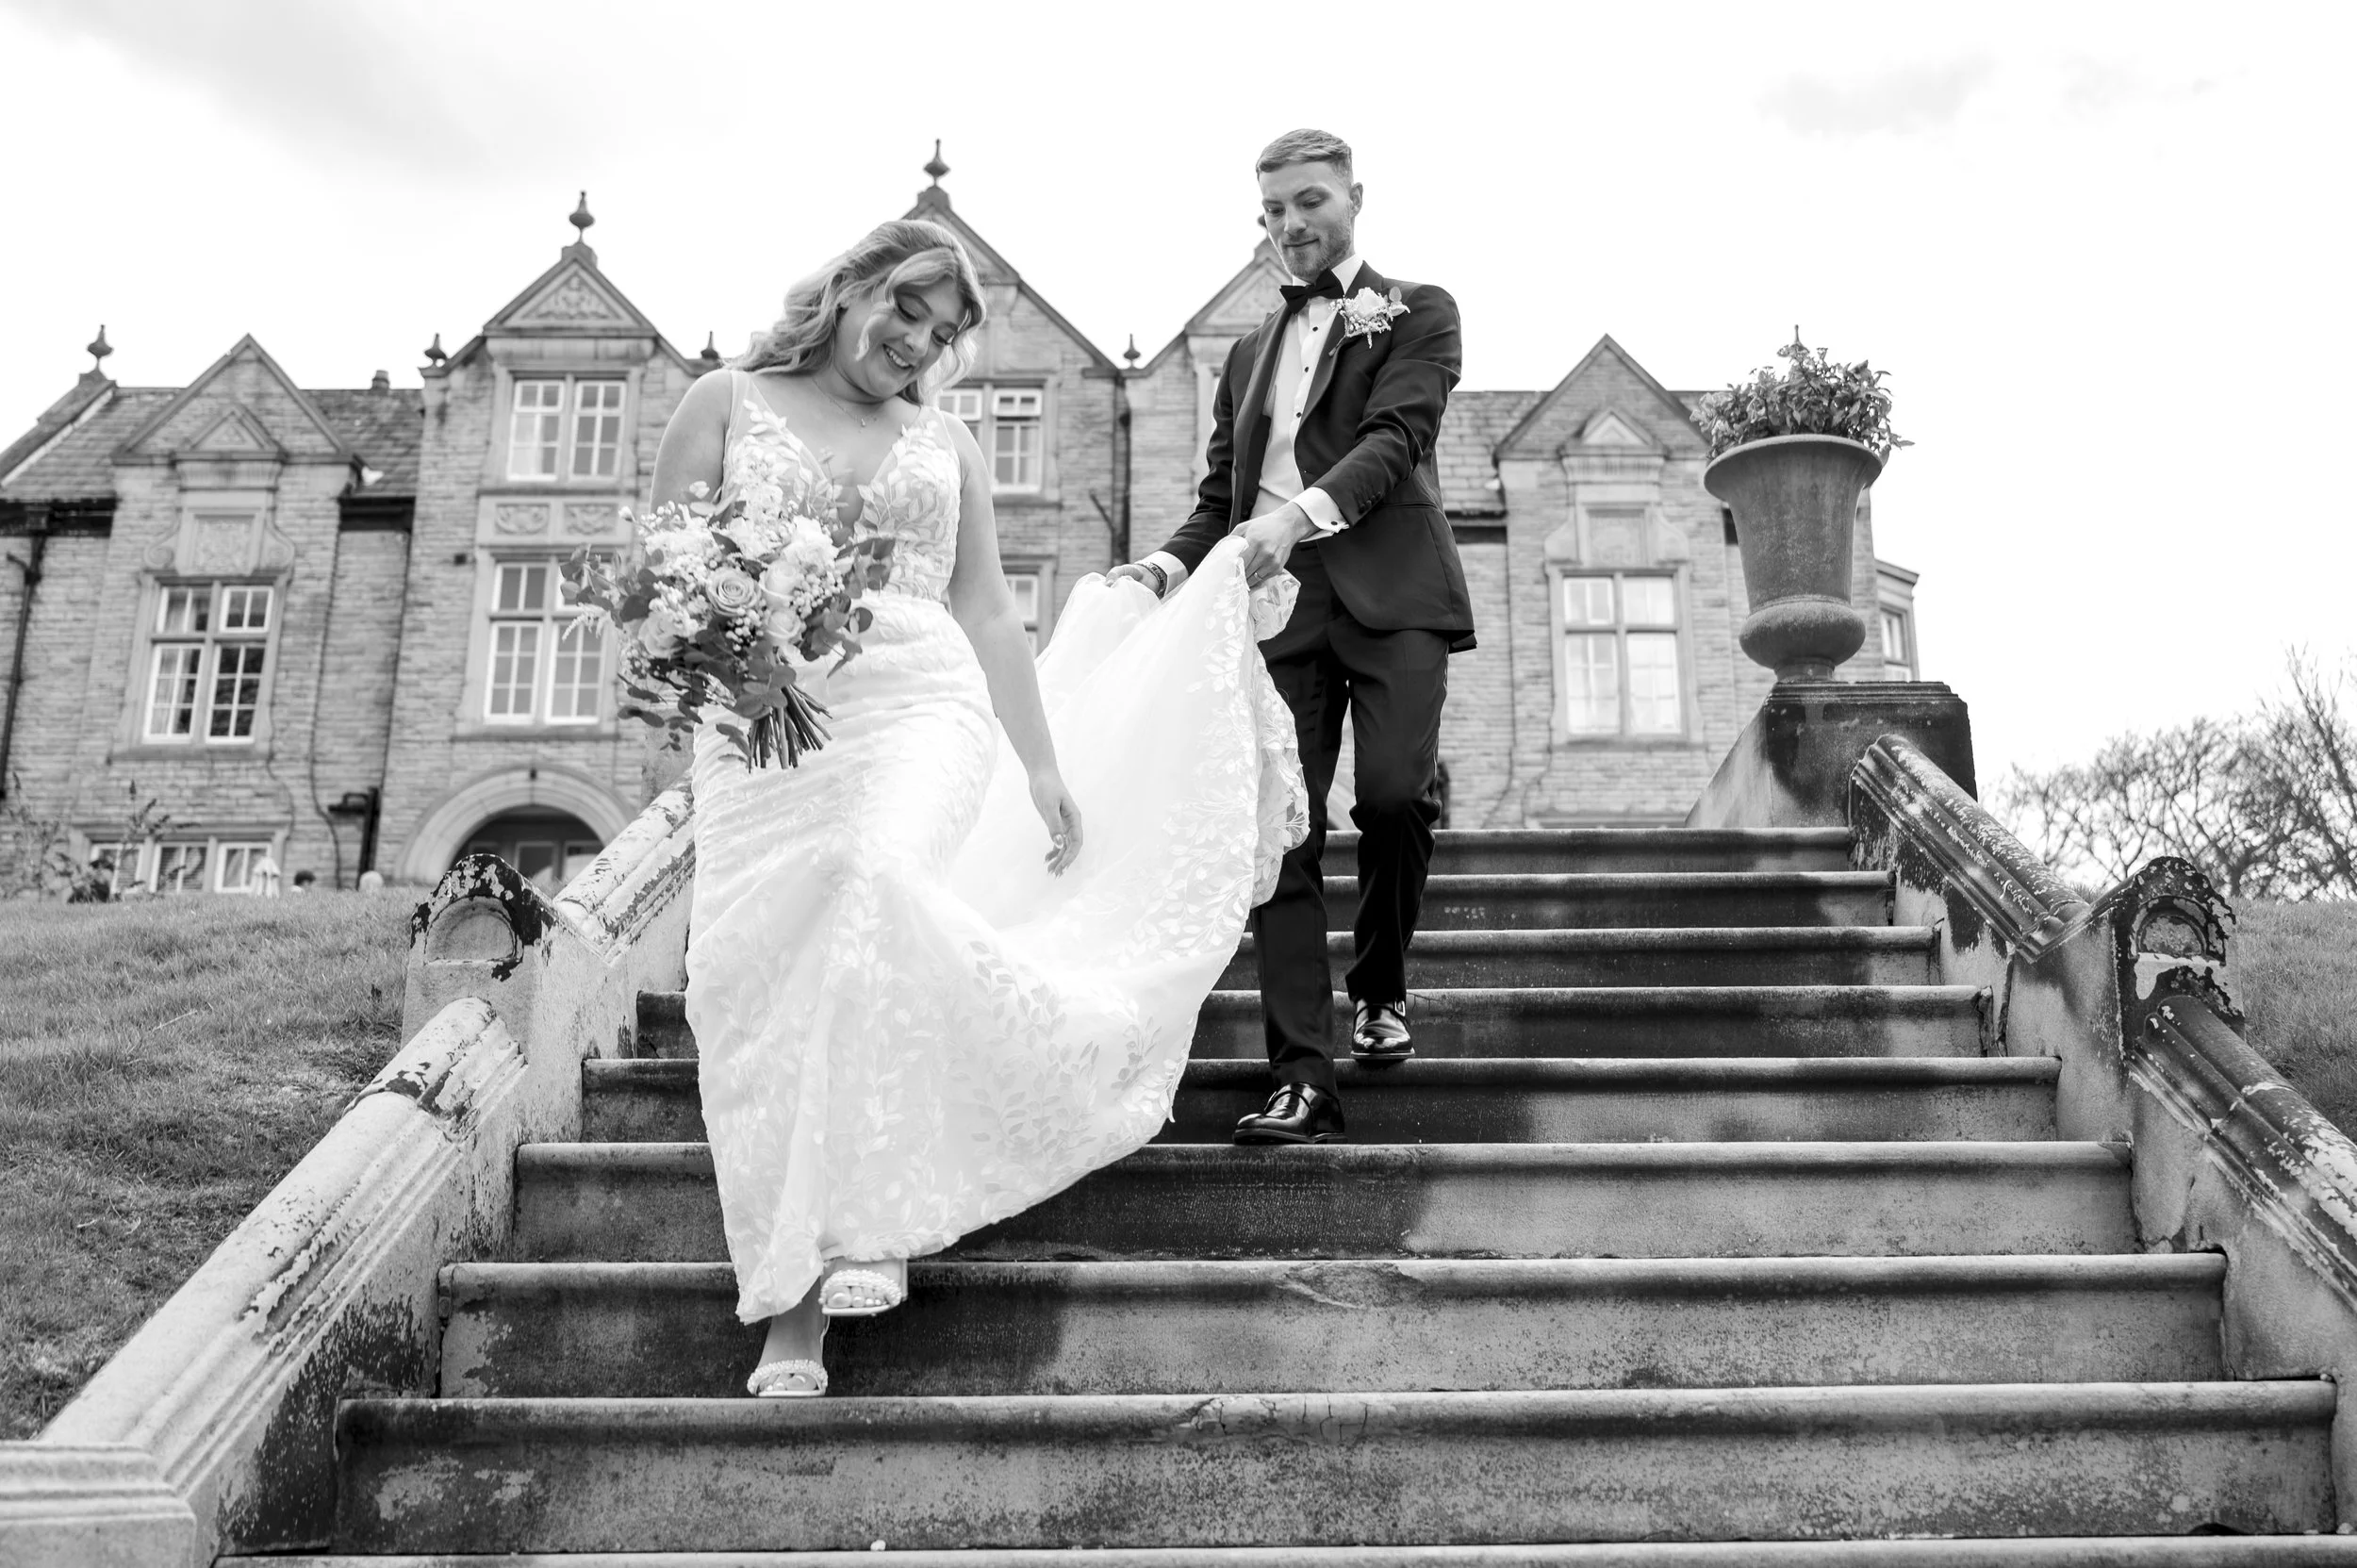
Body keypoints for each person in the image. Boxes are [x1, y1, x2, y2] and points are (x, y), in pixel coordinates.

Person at [653, 221, 1304, 1398]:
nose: (920, 344)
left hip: (921, 703)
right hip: (758, 725)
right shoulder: (724, 399)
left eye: (945, 333)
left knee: (870, 881)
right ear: (851, 284)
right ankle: (794, 1283)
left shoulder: (944, 443)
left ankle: (864, 1240)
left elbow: (991, 613)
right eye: (908, 310)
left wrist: (1042, 767)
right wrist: (728, 661)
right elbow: (663, 571)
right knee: (754, 982)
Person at [1113, 128, 1473, 1146]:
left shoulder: (1419, 311)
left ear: (1354, 195)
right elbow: (1217, 497)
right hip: (1274, 611)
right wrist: (1165, 567)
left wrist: (1293, 517)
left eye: (1307, 202)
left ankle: (1381, 981)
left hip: (1392, 587)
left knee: (1397, 796)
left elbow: (1395, 441)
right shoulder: (1241, 354)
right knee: (1284, 832)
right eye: (1271, 211)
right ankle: (1301, 1076)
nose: (1289, 226)